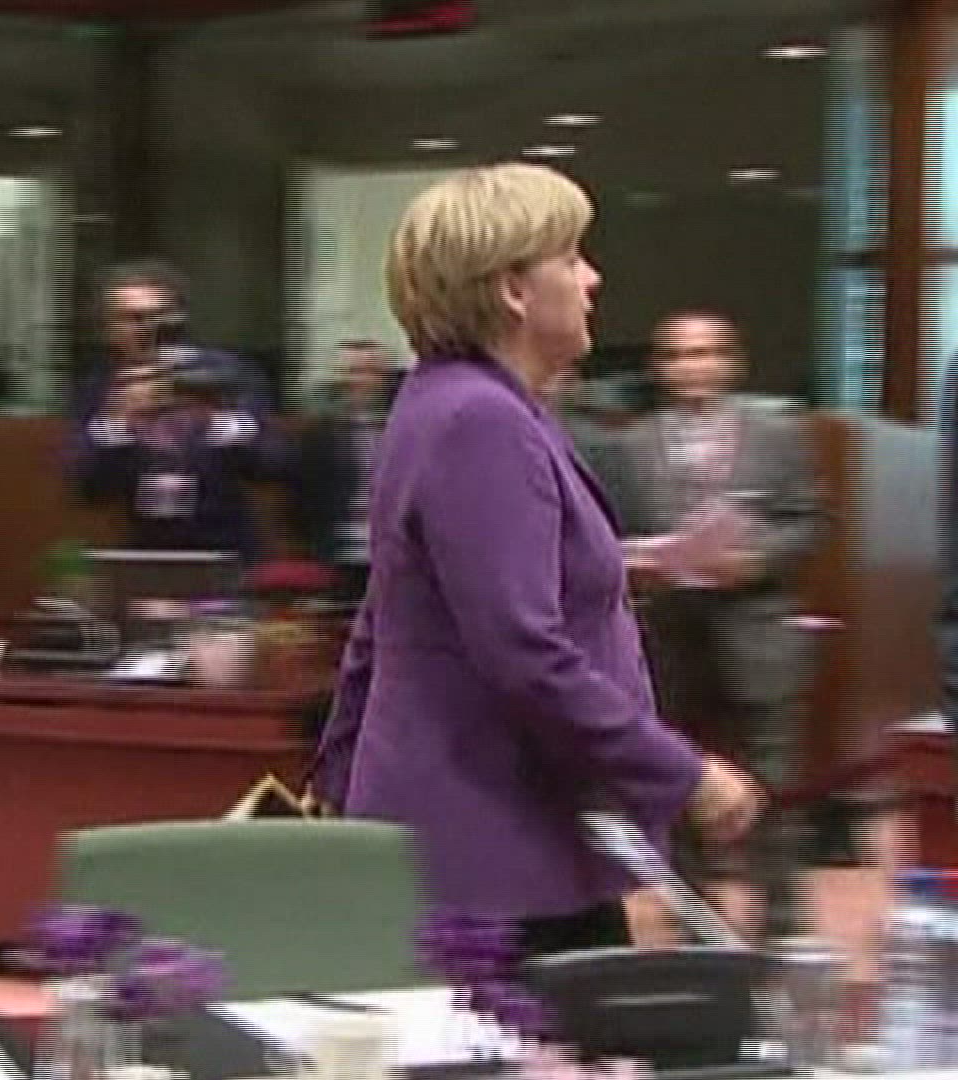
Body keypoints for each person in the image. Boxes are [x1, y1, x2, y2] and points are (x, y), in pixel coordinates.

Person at [308, 162, 761, 958]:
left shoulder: (450, 402)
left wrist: (341, 782)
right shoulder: (481, 422)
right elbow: (523, 653)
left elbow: (384, 621)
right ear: (514, 288)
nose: (593, 278)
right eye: (572, 257)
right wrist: (683, 774)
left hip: (491, 842)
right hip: (497, 857)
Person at [613, 311, 823, 941]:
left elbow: (807, 522)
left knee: (771, 780)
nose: (692, 365)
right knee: (678, 774)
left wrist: (755, 560)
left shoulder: (776, 434)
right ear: (660, 367)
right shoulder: (630, 445)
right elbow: (608, 532)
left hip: (754, 632)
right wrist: (638, 560)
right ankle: (693, 912)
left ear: (731, 362)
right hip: (671, 633)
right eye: (678, 354)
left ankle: (780, 917)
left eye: (705, 353)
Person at [66, 260, 286, 563]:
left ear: (178, 319)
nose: (146, 328)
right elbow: (87, 487)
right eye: (131, 318)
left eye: (158, 316)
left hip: (228, 549)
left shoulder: (228, 375)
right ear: (109, 328)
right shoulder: (100, 389)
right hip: (143, 550)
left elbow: (272, 464)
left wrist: (217, 419)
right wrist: (118, 423)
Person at [290, 340, 401, 603]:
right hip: (337, 547)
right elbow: (306, 495)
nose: (361, 381)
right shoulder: (321, 433)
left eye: (370, 372)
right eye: (353, 372)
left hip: (394, 546)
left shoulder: (404, 427)